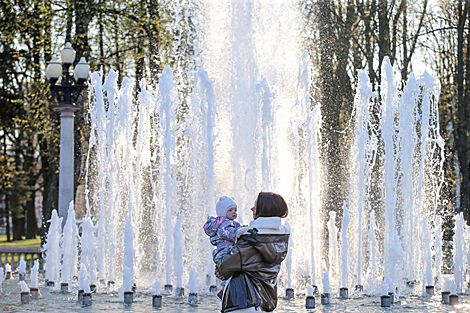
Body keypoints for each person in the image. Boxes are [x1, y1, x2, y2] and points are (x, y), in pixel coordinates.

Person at [215, 191, 290, 313]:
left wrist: (219, 267)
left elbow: (224, 265)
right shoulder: (279, 237)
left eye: (255, 206)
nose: (252, 209)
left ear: (264, 209)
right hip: (265, 302)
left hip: (244, 302)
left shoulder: (252, 238)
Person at [203, 196, 242, 299]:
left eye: (235, 210)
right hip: (225, 252)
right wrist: (241, 231)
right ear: (222, 212)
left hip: (225, 251)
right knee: (232, 271)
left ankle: (225, 290)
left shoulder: (228, 223)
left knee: (232, 272)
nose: (234, 212)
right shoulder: (224, 224)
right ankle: (225, 290)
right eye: (230, 210)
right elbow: (228, 234)